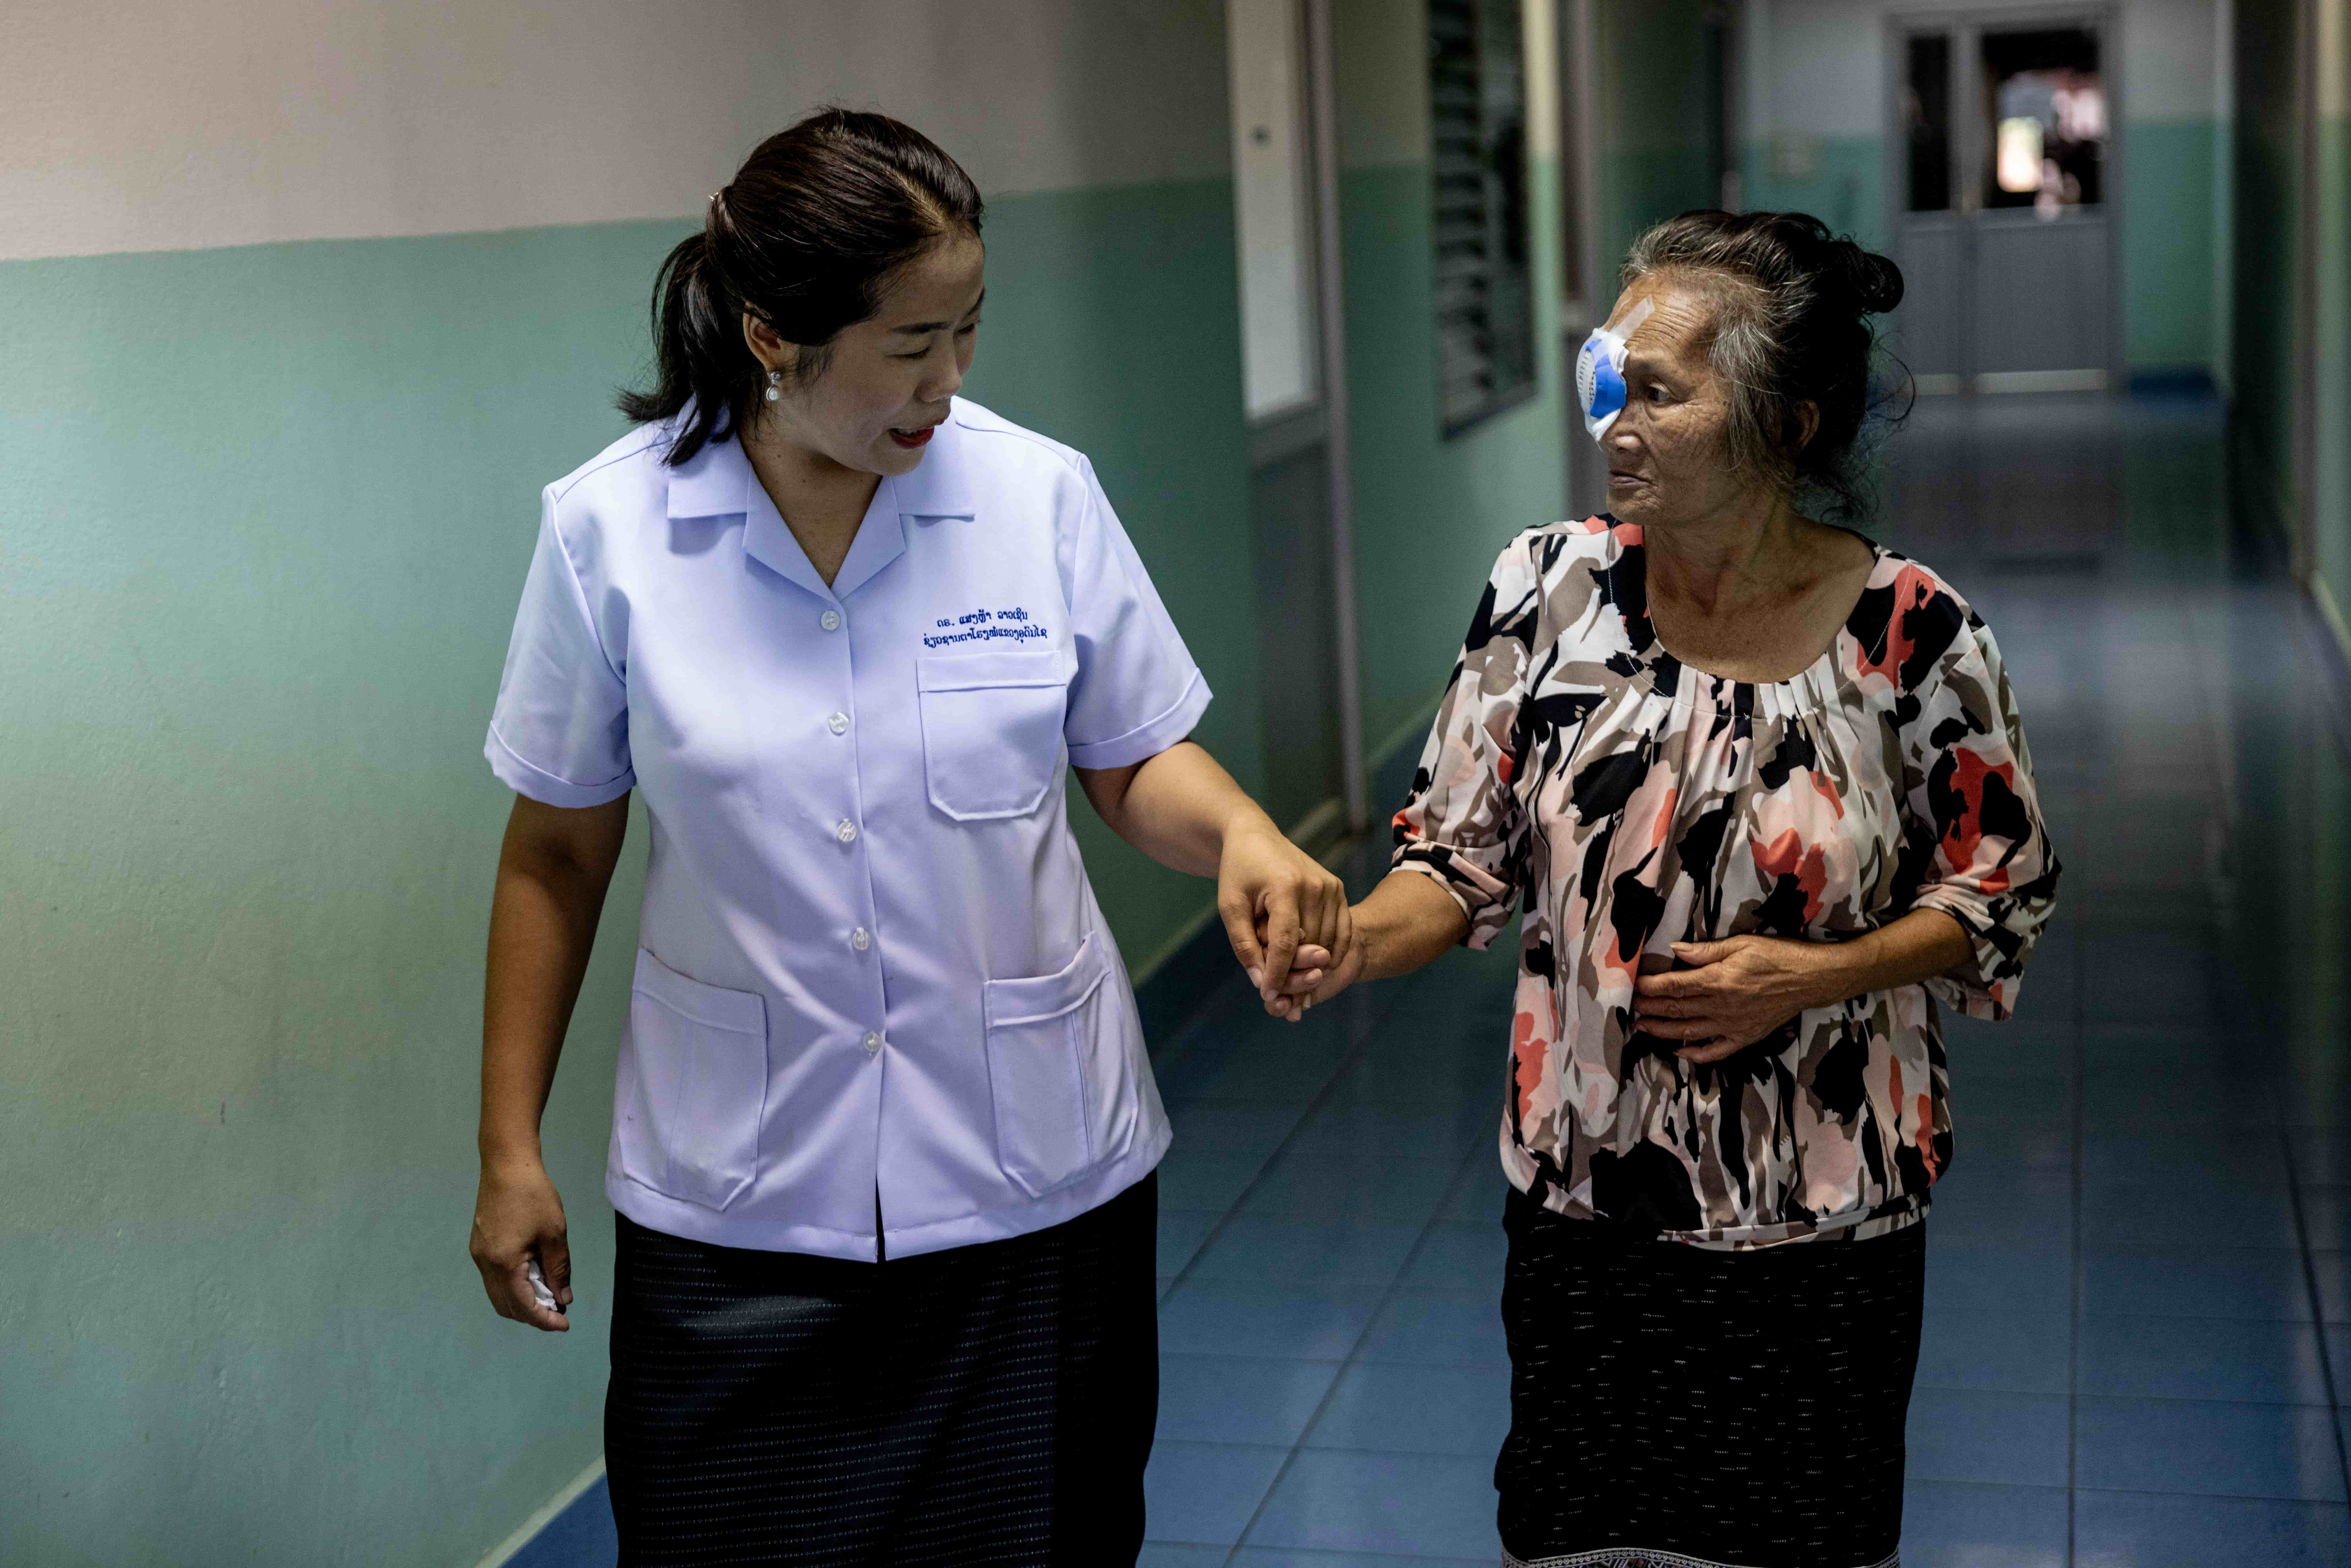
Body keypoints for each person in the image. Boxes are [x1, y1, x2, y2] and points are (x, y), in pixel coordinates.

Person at [465, 109, 1347, 1566]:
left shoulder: (1032, 493)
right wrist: (508, 1145)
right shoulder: (609, 536)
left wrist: (1243, 831)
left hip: (1032, 1198)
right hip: (741, 1212)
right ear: (771, 334)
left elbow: (1131, 758)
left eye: (967, 332)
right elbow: (556, 850)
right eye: (906, 345)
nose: (946, 383)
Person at [1283, 211, 2059, 1568]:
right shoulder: (1543, 594)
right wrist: (1350, 940)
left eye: (1656, 392)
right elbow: (1456, 857)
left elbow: (1999, 886)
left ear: (1784, 421)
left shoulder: (1915, 635)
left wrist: (1813, 975)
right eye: (1607, 381)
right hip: (1586, 1202)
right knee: (1577, 1537)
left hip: (1823, 1218)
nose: (1612, 425)